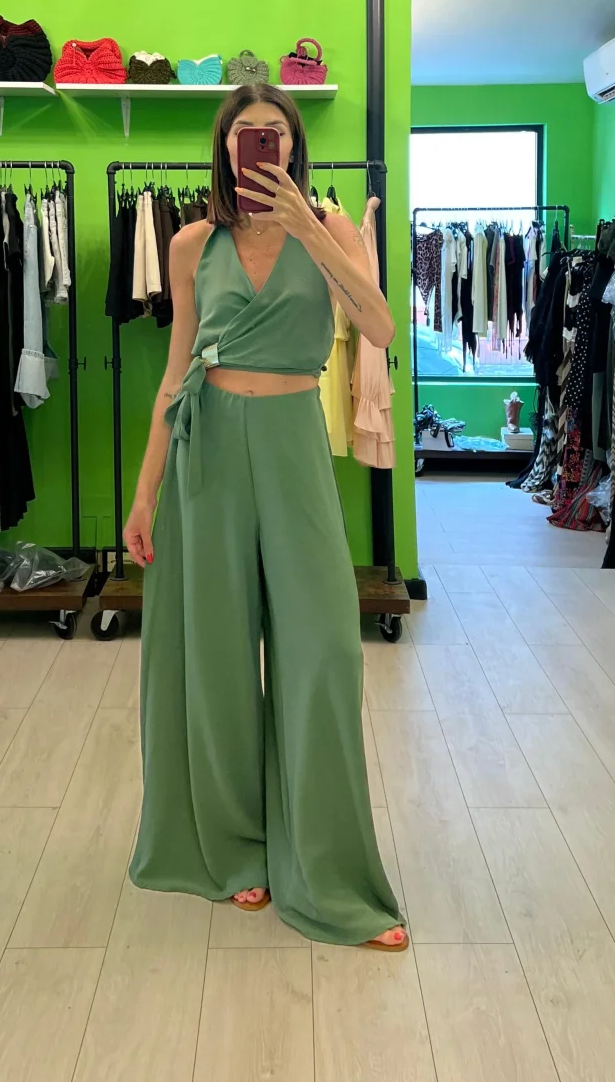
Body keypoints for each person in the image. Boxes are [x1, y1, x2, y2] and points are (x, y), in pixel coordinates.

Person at [124, 83, 407, 950]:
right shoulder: (189, 244)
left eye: (275, 133)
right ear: (224, 147)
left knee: (322, 651)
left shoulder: (332, 229)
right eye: (246, 133)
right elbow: (174, 373)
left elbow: (379, 327)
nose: (261, 144)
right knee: (213, 654)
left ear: (293, 148)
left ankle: (327, 871)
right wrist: (144, 492)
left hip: (290, 447)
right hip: (206, 449)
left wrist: (311, 232)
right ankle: (230, 848)